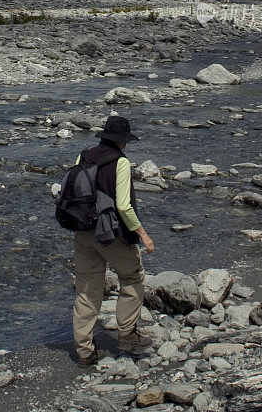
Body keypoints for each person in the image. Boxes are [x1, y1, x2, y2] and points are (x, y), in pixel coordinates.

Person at [72, 114, 155, 367]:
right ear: (123, 142)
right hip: (110, 234)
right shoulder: (120, 162)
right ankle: (127, 334)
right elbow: (124, 207)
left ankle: (84, 351)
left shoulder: (83, 156)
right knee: (132, 276)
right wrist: (143, 234)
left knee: (86, 290)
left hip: (82, 230)